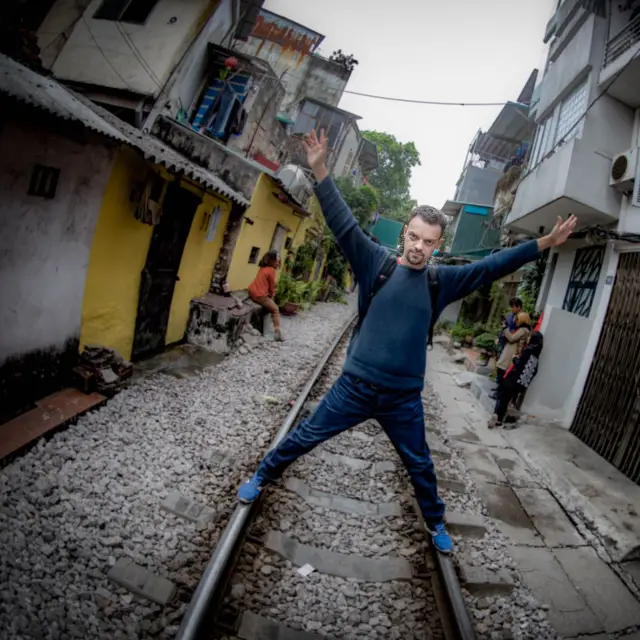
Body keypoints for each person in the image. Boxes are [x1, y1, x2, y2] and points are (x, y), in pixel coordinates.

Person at [237, 129, 577, 554]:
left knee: (420, 465)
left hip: (403, 400)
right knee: (305, 436)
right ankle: (261, 476)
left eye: (429, 242)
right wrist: (321, 167)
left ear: (439, 245)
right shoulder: (375, 263)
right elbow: (343, 224)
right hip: (354, 389)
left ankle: (435, 523)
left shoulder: (441, 281)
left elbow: (492, 266)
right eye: (414, 237)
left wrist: (542, 243)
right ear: (405, 234)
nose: (419, 247)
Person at [489, 331, 544, 429]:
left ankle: (496, 416)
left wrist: (515, 358)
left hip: (513, 379)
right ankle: (499, 420)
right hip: (521, 384)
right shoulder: (536, 356)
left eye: (530, 337)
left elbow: (519, 363)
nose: (528, 338)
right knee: (507, 399)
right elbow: (534, 371)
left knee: (502, 397)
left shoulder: (527, 350)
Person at [490, 297, 523, 399]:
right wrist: (499, 338)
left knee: (504, 367)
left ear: (519, 307)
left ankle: (500, 389)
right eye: (511, 306)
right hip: (504, 342)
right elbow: (504, 327)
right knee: (499, 363)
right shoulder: (510, 316)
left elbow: (515, 334)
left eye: (514, 306)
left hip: (511, 345)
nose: (512, 308)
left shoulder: (520, 318)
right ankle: (498, 385)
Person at [248, 250, 283, 342]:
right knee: (275, 309)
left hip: (252, 291)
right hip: (260, 295)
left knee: (269, 305)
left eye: (279, 261)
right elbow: (272, 287)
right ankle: (277, 332)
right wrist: (271, 295)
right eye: (276, 261)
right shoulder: (271, 271)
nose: (278, 263)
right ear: (271, 261)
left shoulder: (263, 268)